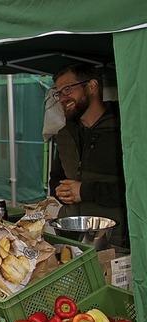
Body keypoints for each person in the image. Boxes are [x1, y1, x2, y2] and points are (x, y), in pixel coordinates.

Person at [49, 64, 128, 248]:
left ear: (92, 86)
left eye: (67, 89)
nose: (62, 98)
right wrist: (61, 192)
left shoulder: (123, 131)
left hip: (113, 240)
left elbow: (136, 189)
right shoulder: (64, 135)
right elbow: (55, 180)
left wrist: (83, 191)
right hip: (70, 238)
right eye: (58, 93)